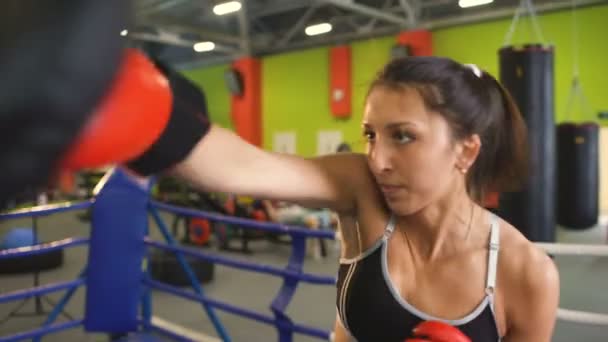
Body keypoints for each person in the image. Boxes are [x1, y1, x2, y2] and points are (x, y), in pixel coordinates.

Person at [3, 40, 558, 339]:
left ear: (466, 150)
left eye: (404, 137)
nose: (377, 158)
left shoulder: (525, 274)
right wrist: (135, 104)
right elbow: (245, 169)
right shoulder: (361, 189)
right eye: (370, 135)